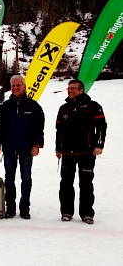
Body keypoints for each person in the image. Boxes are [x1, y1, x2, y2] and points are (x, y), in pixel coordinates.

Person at [0, 75, 44, 219]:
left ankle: (25, 208)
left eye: (18, 85)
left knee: (26, 178)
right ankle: (10, 207)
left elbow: (38, 127)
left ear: (24, 86)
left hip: (26, 148)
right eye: (13, 85)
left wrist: (37, 144)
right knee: (9, 178)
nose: (15, 88)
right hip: (9, 148)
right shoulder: (4, 107)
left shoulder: (33, 106)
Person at [55, 79, 106, 224]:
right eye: (68, 88)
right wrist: (58, 148)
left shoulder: (93, 106)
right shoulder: (63, 108)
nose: (70, 91)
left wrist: (99, 145)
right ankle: (66, 211)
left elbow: (102, 127)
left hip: (87, 153)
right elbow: (58, 130)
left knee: (86, 183)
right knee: (65, 183)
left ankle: (87, 213)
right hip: (67, 153)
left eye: (73, 88)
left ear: (81, 90)